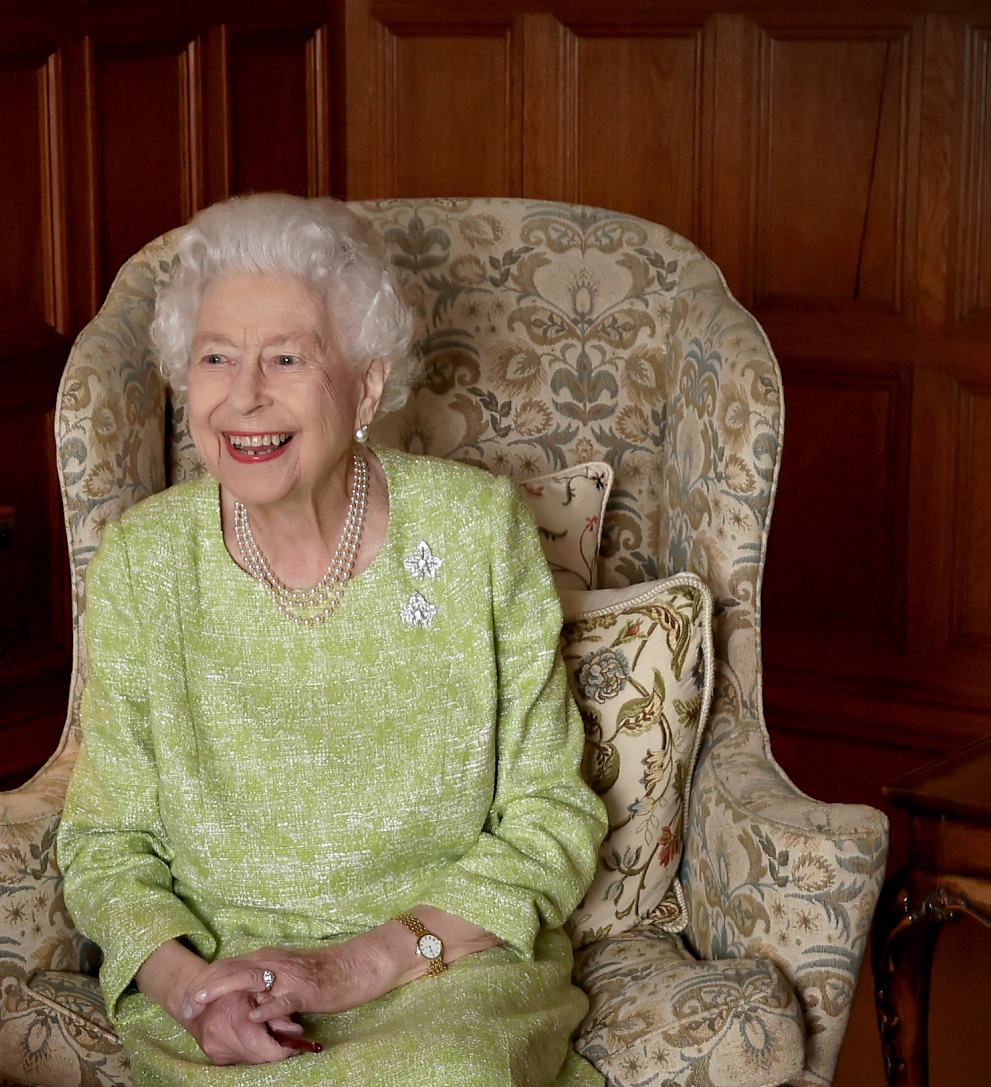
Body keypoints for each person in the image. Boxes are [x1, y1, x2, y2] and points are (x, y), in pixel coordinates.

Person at [55, 194, 606, 1085]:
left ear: (367, 386)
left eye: (286, 357)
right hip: (229, 977)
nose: (244, 396)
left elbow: (551, 812)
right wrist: (192, 990)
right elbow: (103, 842)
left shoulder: (472, 529)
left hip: (443, 965)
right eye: (215, 357)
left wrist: (358, 964)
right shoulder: (145, 560)